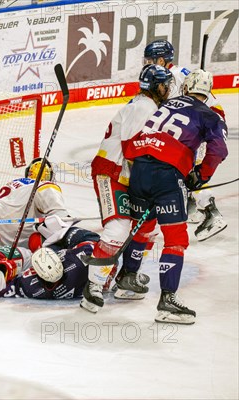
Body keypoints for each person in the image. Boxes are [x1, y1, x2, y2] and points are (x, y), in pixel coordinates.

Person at [122, 69, 228, 324]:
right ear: (209, 92)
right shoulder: (209, 114)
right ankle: (168, 302)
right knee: (176, 239)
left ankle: (126, 279)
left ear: (186, 88)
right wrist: (200, 176)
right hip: (166, 176)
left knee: (143, 228)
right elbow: (219, 149)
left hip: (139, 169)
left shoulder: (167, 104)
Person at [80, 64, 173, 313]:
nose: (168, 89)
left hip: (129, 175)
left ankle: (126, 278)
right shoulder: (144, 106)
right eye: (165, 84)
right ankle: (93, 286)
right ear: (157, 86)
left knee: (147, 226)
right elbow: (133, 150)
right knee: (118, 228)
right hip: (111, 173)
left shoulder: (150, 106)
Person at [143, 39, 227, 241]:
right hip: (201, 122)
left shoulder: (170, 78)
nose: (147, 64)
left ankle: (210, 212)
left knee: (186, 166)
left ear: (161, 60)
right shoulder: (181, 73)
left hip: (203, 125)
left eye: (149, 60)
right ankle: (193, 205)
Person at [0, 215, 100, 300]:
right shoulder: (77, 262)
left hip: (81, 280)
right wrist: (62, 231)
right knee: (39, 238)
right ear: (59, 261)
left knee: (35, 240)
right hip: (85, 277)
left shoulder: (32, 287)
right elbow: (96, 242)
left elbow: (6, 288)